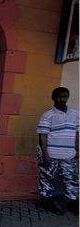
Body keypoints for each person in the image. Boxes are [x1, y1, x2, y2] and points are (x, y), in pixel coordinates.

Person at [37, 87, 79, 215]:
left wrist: (78, 150)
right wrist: (45, 155)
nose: (62, 99)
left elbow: (78, 133)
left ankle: (73, 203)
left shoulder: (75, 114)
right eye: (59, 97)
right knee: (46, 178)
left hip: (69, 155)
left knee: (71, 179)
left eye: (65, 97)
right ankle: (47, 202)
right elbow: (42, 136)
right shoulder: (47, 115)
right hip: (51, 155)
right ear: (54, 98)